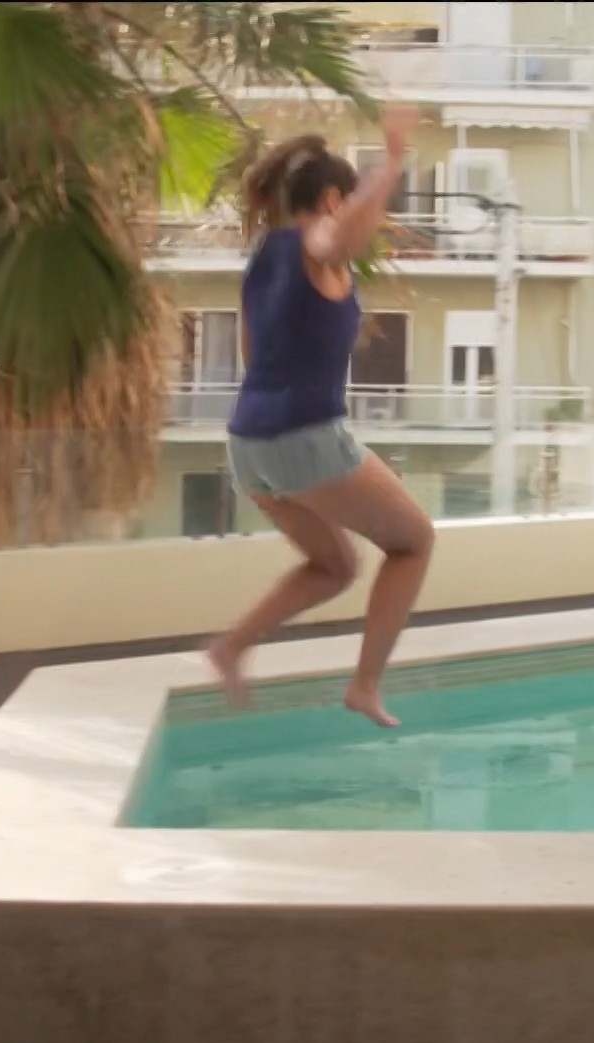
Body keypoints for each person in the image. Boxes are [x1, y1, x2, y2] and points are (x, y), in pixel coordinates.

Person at [206, 105, 435, 729]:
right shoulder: (317, 246)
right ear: (334, 199)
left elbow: (253, 354)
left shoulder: (264, 257)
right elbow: (341, 239)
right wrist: (393, 159)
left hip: (248, 446)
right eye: (359, 204)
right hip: (305, 438)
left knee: (336, 566)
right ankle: (365, 685)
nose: (372, 219)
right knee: (414, 543)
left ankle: (230, 647)